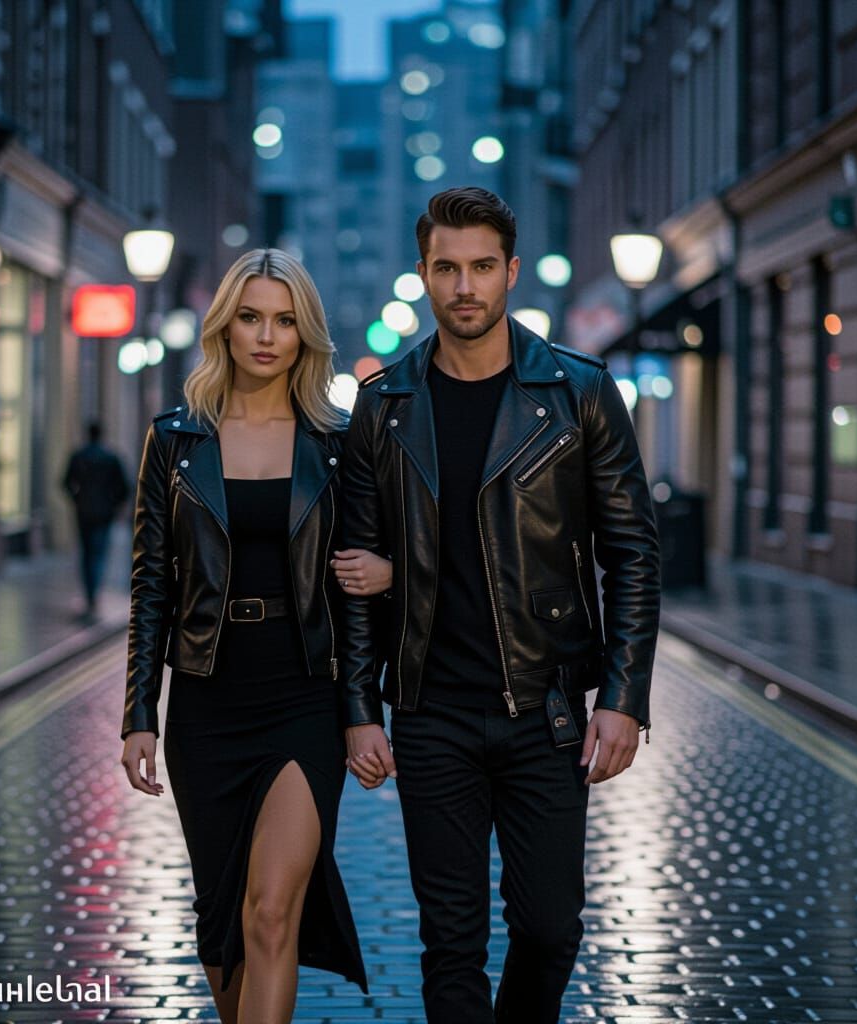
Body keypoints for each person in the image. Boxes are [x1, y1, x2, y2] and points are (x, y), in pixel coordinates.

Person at [341, 187, 661, 1023]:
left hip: (546, 710)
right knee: (451, 943)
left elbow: (632, 553)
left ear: (511, 272)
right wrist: (358, 709)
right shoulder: (386, 405)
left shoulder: (579, 393)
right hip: (430, 710)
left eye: (483, 267)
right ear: (422, 275)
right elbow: (351, 571)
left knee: (552, 929)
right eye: (446, 268)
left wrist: (624, 699)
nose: (465, 287)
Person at [120, 248, 392, 1024]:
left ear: (305, 334)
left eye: (284, 320)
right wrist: (140, 711)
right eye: (250, 317)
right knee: (222, 926)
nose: (267, 336)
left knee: (271, 912)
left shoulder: (339, 444)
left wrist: (359, 709)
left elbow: (360, 594)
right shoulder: (175, 441)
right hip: (207, 701)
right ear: (225, 328)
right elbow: (152, 587)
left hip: (303, 695)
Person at [63, 421, 130, 617]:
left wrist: (77, 499)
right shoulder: (110, 457)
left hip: (83, 511)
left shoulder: (79, 456)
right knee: (98, 552)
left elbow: (66, 482)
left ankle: (90, 593)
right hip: (104, 513)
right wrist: (114, 504)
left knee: (86, 553)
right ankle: (94, 592)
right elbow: (124, 487)